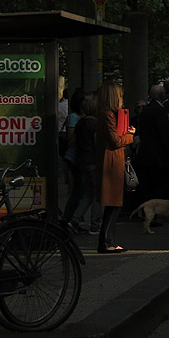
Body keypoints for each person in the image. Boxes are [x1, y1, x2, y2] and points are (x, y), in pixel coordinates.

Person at [94, 81, 135, 253]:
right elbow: (116, 141)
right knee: (113, 204)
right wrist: (130, 135)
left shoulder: (105, 115)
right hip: (111, 164)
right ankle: (106, 242)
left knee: (114, 204)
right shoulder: (108, 115)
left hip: (110, 161)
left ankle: (108, 241)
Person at [134, 84, 169, 203]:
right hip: (158, 156)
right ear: (162, 95)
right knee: (159, 186)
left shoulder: (145, 110)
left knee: (148, 186)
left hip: (145, 154)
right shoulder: (160, 111)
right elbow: (164, 134)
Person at [63, 93, 98, 234]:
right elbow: (96, 144)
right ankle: (95, 224)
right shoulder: (95, 124)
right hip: (93, 161)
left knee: (88, 194)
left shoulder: (80, 123)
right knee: (97, 194)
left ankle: (75, 219)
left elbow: (72, 140)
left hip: (82, 160)